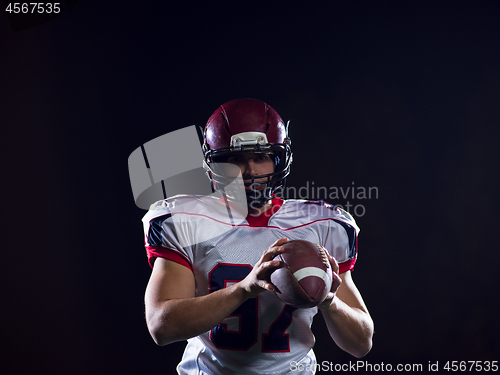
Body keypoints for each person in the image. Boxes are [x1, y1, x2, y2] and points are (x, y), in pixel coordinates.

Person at [142, 98, 374, 374]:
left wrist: (329, 301)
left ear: (278, 160)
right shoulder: (185, 221)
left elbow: (361, 344)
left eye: (261, 157)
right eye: (235, 159)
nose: (250, 170)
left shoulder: (324, 224)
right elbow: (162, 327)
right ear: (214, 164)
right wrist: (245, 288)